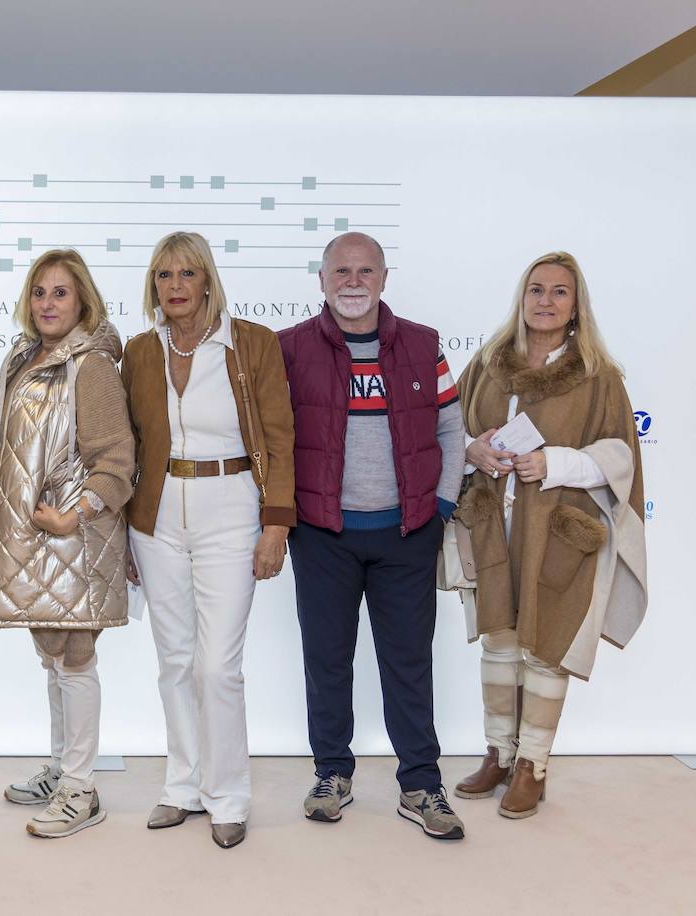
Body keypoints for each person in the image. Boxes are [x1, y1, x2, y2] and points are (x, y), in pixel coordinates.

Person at [278, 231, 467, 840]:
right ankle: (332, 773)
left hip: (406, 534)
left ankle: (420, 783)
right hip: (323, 536)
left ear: (384, 279)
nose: (352, 282)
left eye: (365, 271)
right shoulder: (290, 350)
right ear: (322, 280)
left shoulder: (422, 345)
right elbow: (272, 441)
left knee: (409, 662)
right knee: (326, 661)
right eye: (341, 271)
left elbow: (450, 432)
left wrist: (439, 508)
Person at [451, 252, 646, 818]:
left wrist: (555, 463)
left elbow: (618, 454)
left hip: (560, 531)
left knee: (547, 645)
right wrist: (474, 450)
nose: (545, 300)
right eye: (536, 289)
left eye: (559, 292)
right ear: (522, 297)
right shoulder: (488, 363)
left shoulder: (597, 375)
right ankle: (499, 755)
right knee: (500, 639)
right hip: (496, 524)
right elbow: (453, 427)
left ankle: (533, 765)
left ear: (575, 305)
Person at [121, 231, 295, 849]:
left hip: (233, 505)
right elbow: (129, 447)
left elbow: (279, 435)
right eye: (164, 275)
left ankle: (229, 795)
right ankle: (183, 786)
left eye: (187, 274)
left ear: (207, 280)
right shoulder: (139, 352)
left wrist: (277, 522)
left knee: (218, 664)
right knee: (175, 659)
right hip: (158, 512)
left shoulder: (252, 344)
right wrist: (125, 533)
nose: (175, 286)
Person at [0, 249, 134, 839]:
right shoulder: (25, 356)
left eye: (61, 292)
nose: (48, 303)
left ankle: (83, 788)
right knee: (53, 653)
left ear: (82, 299)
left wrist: (73, 515)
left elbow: (115, 462)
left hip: (72, 534)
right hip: (32, 535)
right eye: (40, 292)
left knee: (76, 656)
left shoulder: (92, 365)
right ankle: (62, 768)